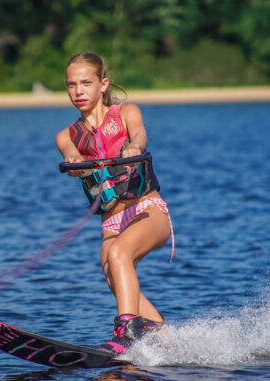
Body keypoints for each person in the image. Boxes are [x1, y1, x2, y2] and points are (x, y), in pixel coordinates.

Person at [55, 52, 174, 355]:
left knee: (119, 254)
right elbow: (72, 154)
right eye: (71, 85)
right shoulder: (66, 135)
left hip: (146, 211)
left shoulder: (126, 113)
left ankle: (127, 334)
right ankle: (164, 338)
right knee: (114, 276)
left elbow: (140, 136)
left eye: (86, 83)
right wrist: (75, 161)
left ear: (103, 84)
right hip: (111, 222)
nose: (78, 91)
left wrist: (133, 147)